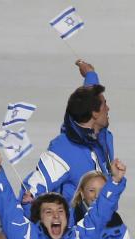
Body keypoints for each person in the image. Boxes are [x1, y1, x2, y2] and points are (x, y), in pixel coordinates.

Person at [21, 59, 113, 204]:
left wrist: (90, 74)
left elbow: (89, 94)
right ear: (94, 114)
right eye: (105, 105)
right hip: (78, 224)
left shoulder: (87, 125)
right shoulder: (62, 152)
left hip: (100, 218)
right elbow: (31, 192)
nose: (108, 109)